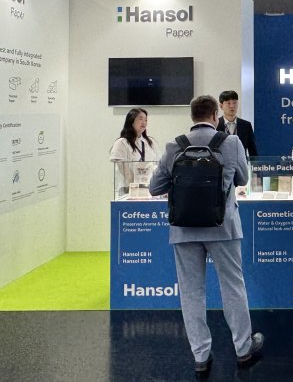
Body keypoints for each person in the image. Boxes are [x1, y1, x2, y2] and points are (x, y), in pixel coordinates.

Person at [150, 95, 264, 374]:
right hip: (223, 227)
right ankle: (243, 349)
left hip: (184, 229)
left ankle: (201, 356)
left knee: (191, 292)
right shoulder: (231, 142)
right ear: (215, 115)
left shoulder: (174, 146)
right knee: (232, 287)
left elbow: (155, 187)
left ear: (192, 116)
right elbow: (243, 179)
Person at [110, 108, 159, 196]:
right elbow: (124, 171)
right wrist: (136, 188)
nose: (144, 122)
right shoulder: (121, 143)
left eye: (145, 120)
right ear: (131, 121)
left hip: (148, 189)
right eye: (140, 119)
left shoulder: (150, 142)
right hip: (128, 190)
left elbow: (157, 165)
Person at [217, 90, 258, 157]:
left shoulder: (246, 125)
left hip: (241, 163)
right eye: (228, 103)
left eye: (234, 103)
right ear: (221, 106)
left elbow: (253, 151)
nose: (232, 106)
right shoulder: (216, 125)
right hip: (221, 162)